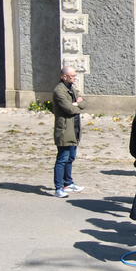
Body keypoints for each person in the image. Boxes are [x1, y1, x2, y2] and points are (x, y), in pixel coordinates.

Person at [52, 66, 85, 198]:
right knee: (62, 158)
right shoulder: (59, 91)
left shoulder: (71, 88)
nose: (74, 79)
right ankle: (58, 188)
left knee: (71, 157)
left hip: (74, 128)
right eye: (72, 76)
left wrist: (77, 104)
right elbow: (69, 109)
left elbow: (84, 103)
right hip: (65, 129)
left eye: (75, 76)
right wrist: (76, 104)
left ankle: (68, 183)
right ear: (64, 77)